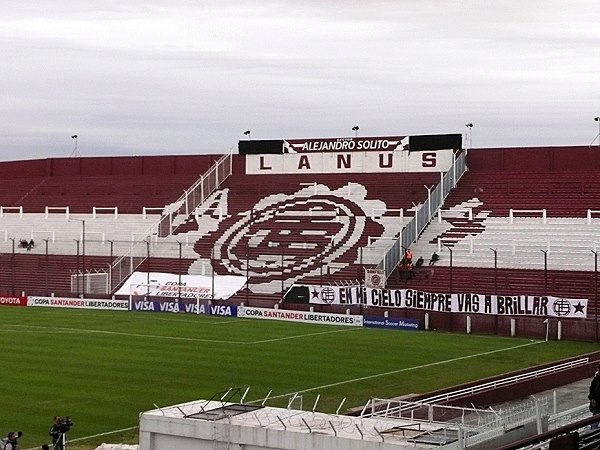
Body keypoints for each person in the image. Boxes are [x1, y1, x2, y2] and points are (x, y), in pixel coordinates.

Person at [589, 363, 600, 429]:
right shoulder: (595, 380)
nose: (598, 371)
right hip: (597, 406)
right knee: (594, 424)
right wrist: (592, 399)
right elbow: (591, 392)